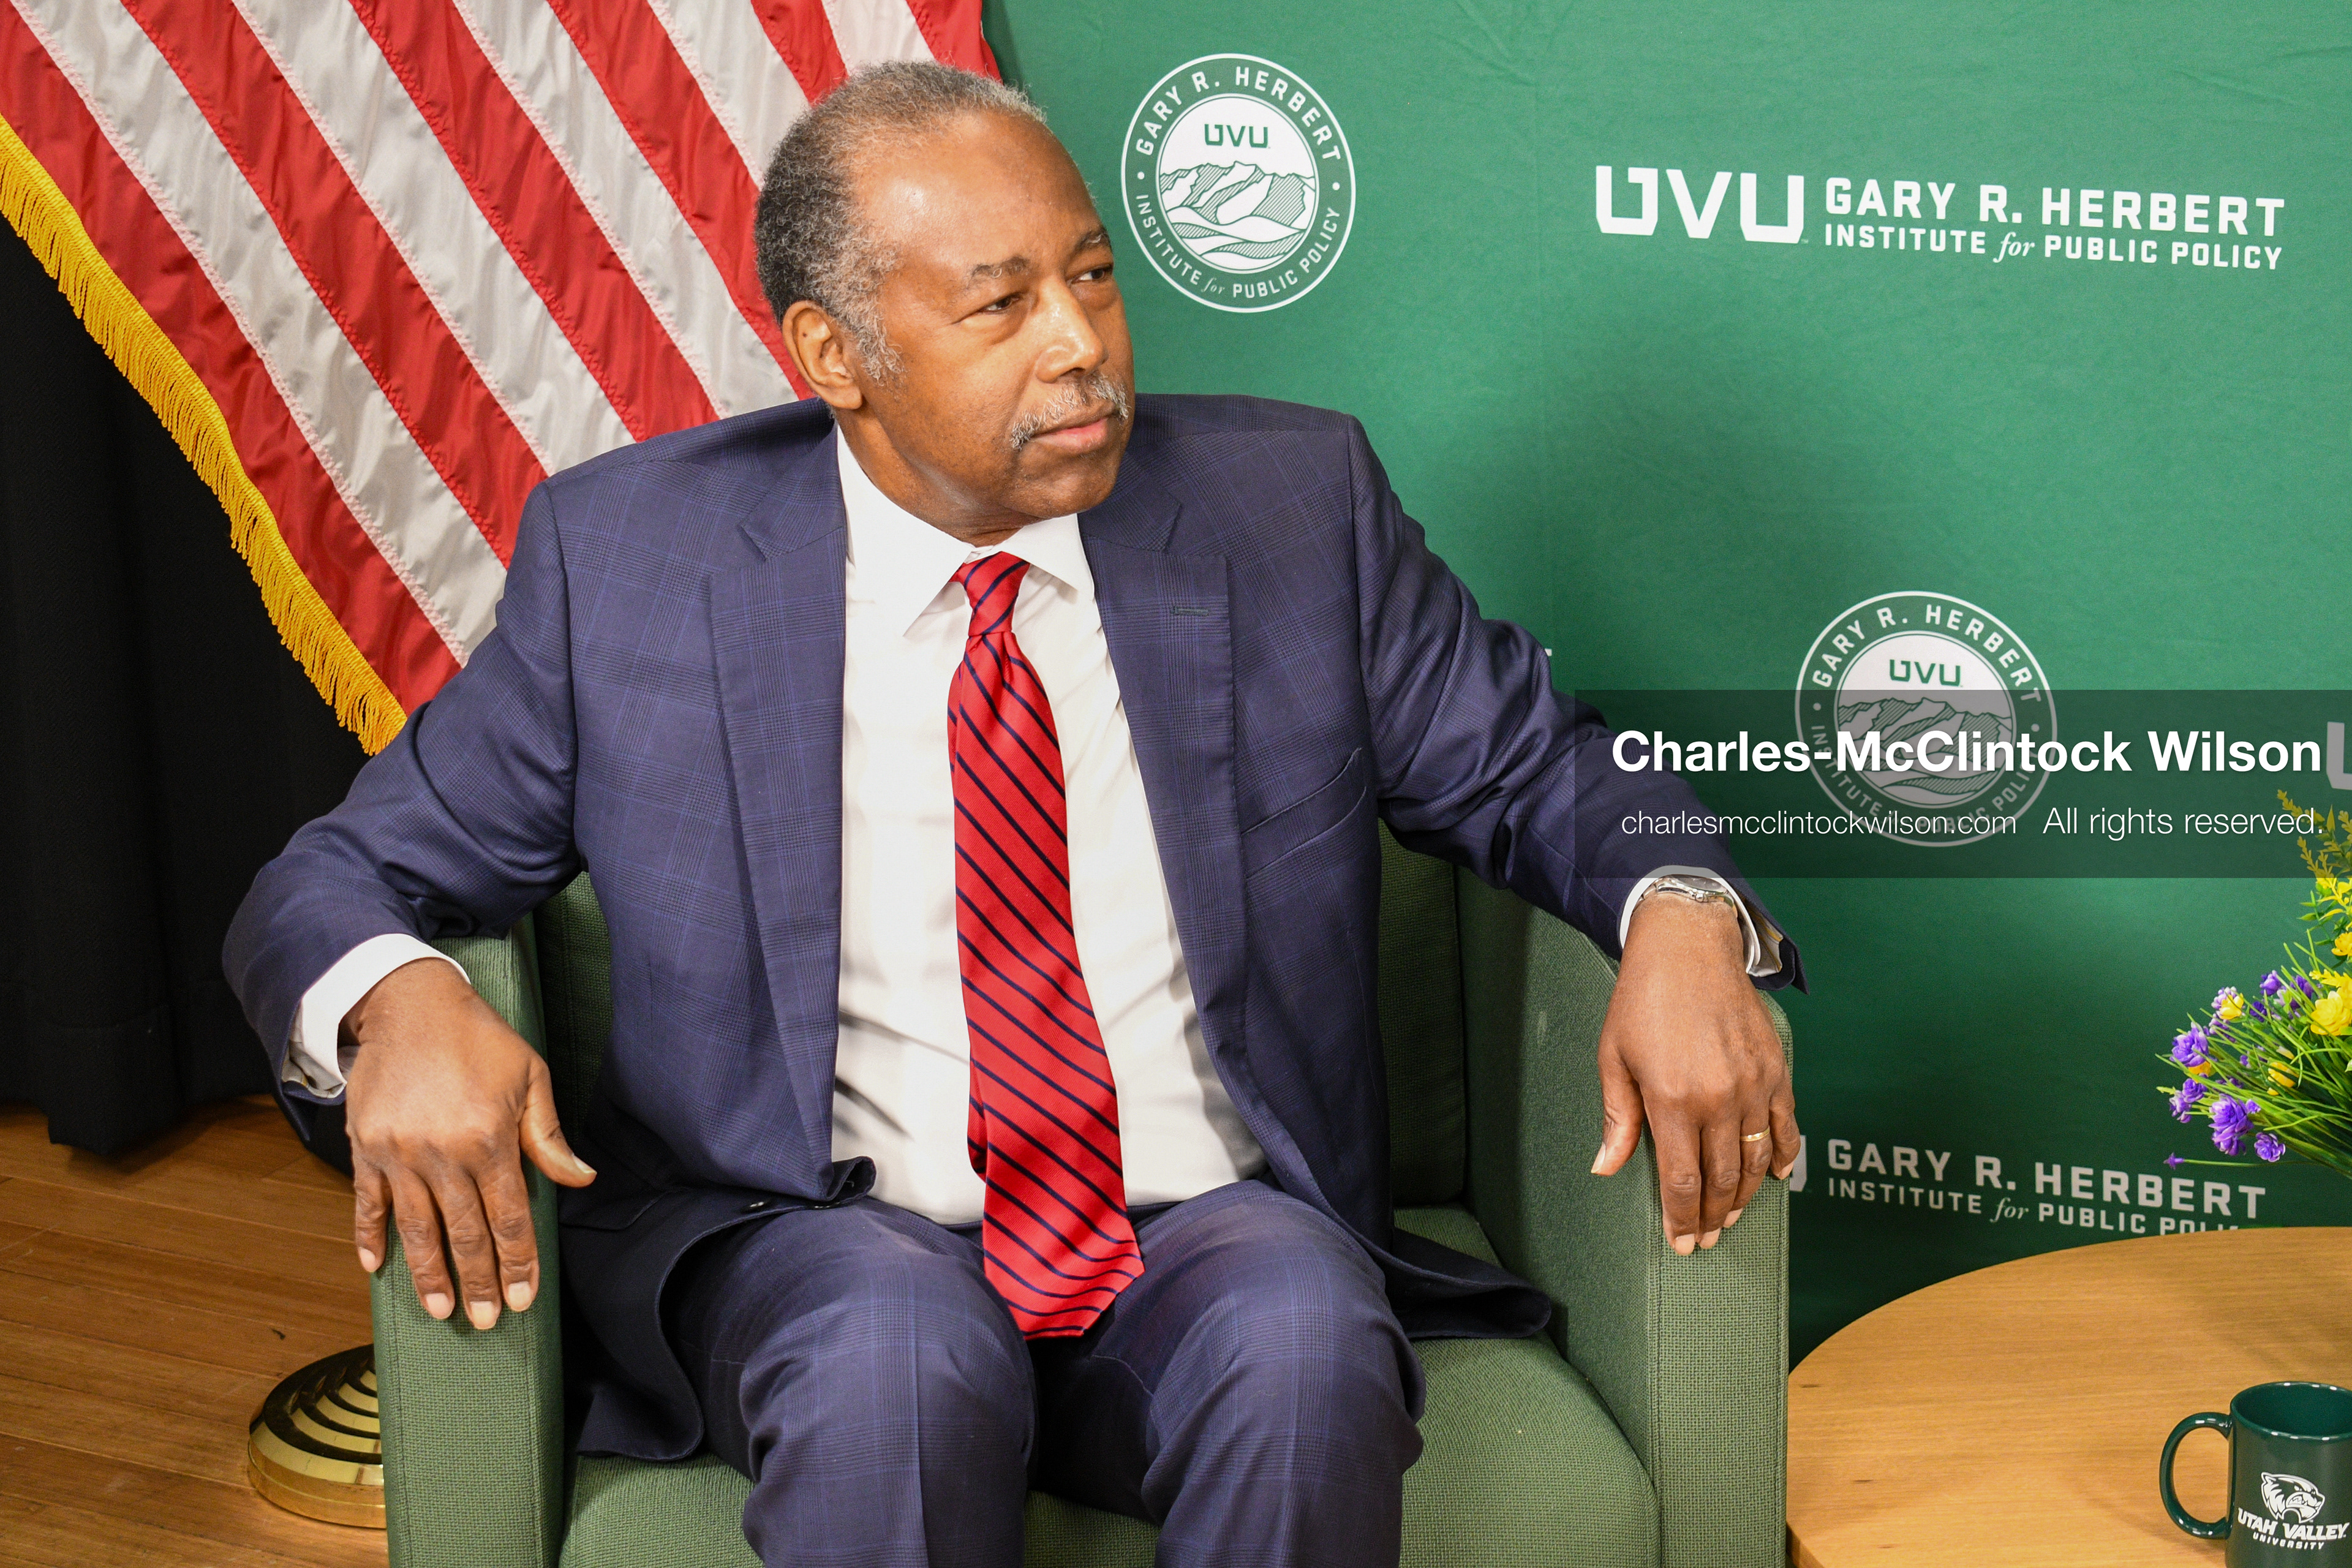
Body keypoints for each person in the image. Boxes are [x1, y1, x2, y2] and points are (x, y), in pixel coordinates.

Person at [227, 60, 1801, 1568]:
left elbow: (1541, 771)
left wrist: (1678, 908)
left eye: (1096, 275)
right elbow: (338, 875)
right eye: (1002, 303)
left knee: (1301, 1339)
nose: (1083, 346)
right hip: (823, 1240)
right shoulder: (639, 564)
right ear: (834, 355)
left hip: (1204, 1223)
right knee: (893, 1365)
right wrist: (402, 992)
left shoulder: (1290, 511)